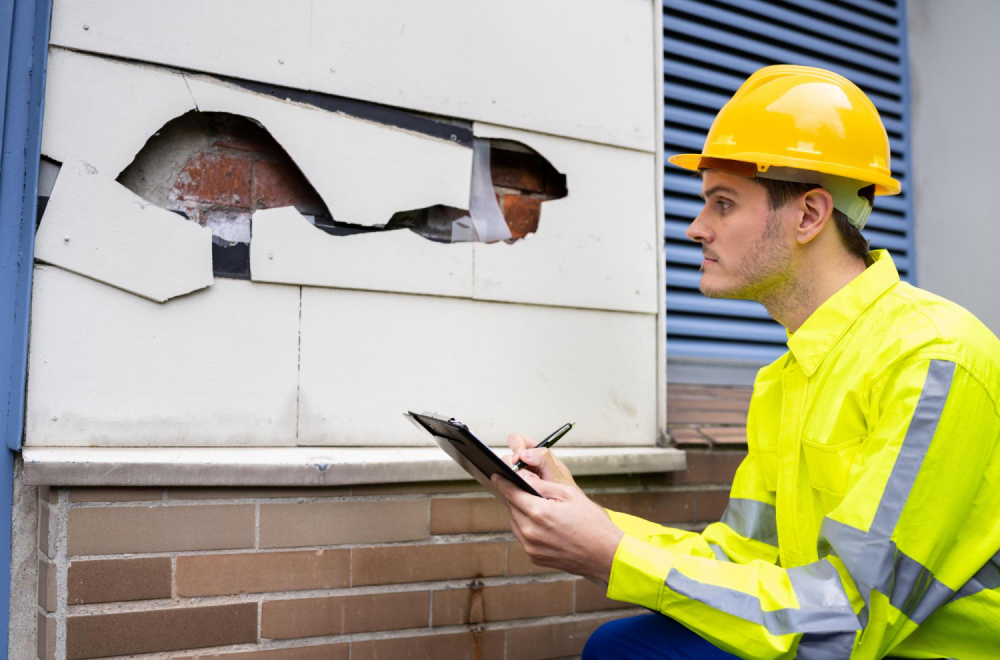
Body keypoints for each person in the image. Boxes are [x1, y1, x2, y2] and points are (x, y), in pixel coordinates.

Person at [492, 65, 1000, 660]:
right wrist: (597, 525)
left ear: (809, 215)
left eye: (722, 203)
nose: (695, 228)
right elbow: (743, 559)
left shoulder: (934, 359)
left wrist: (616, 559)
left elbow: (851, 619)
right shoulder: (787, 378)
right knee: (624, 646)